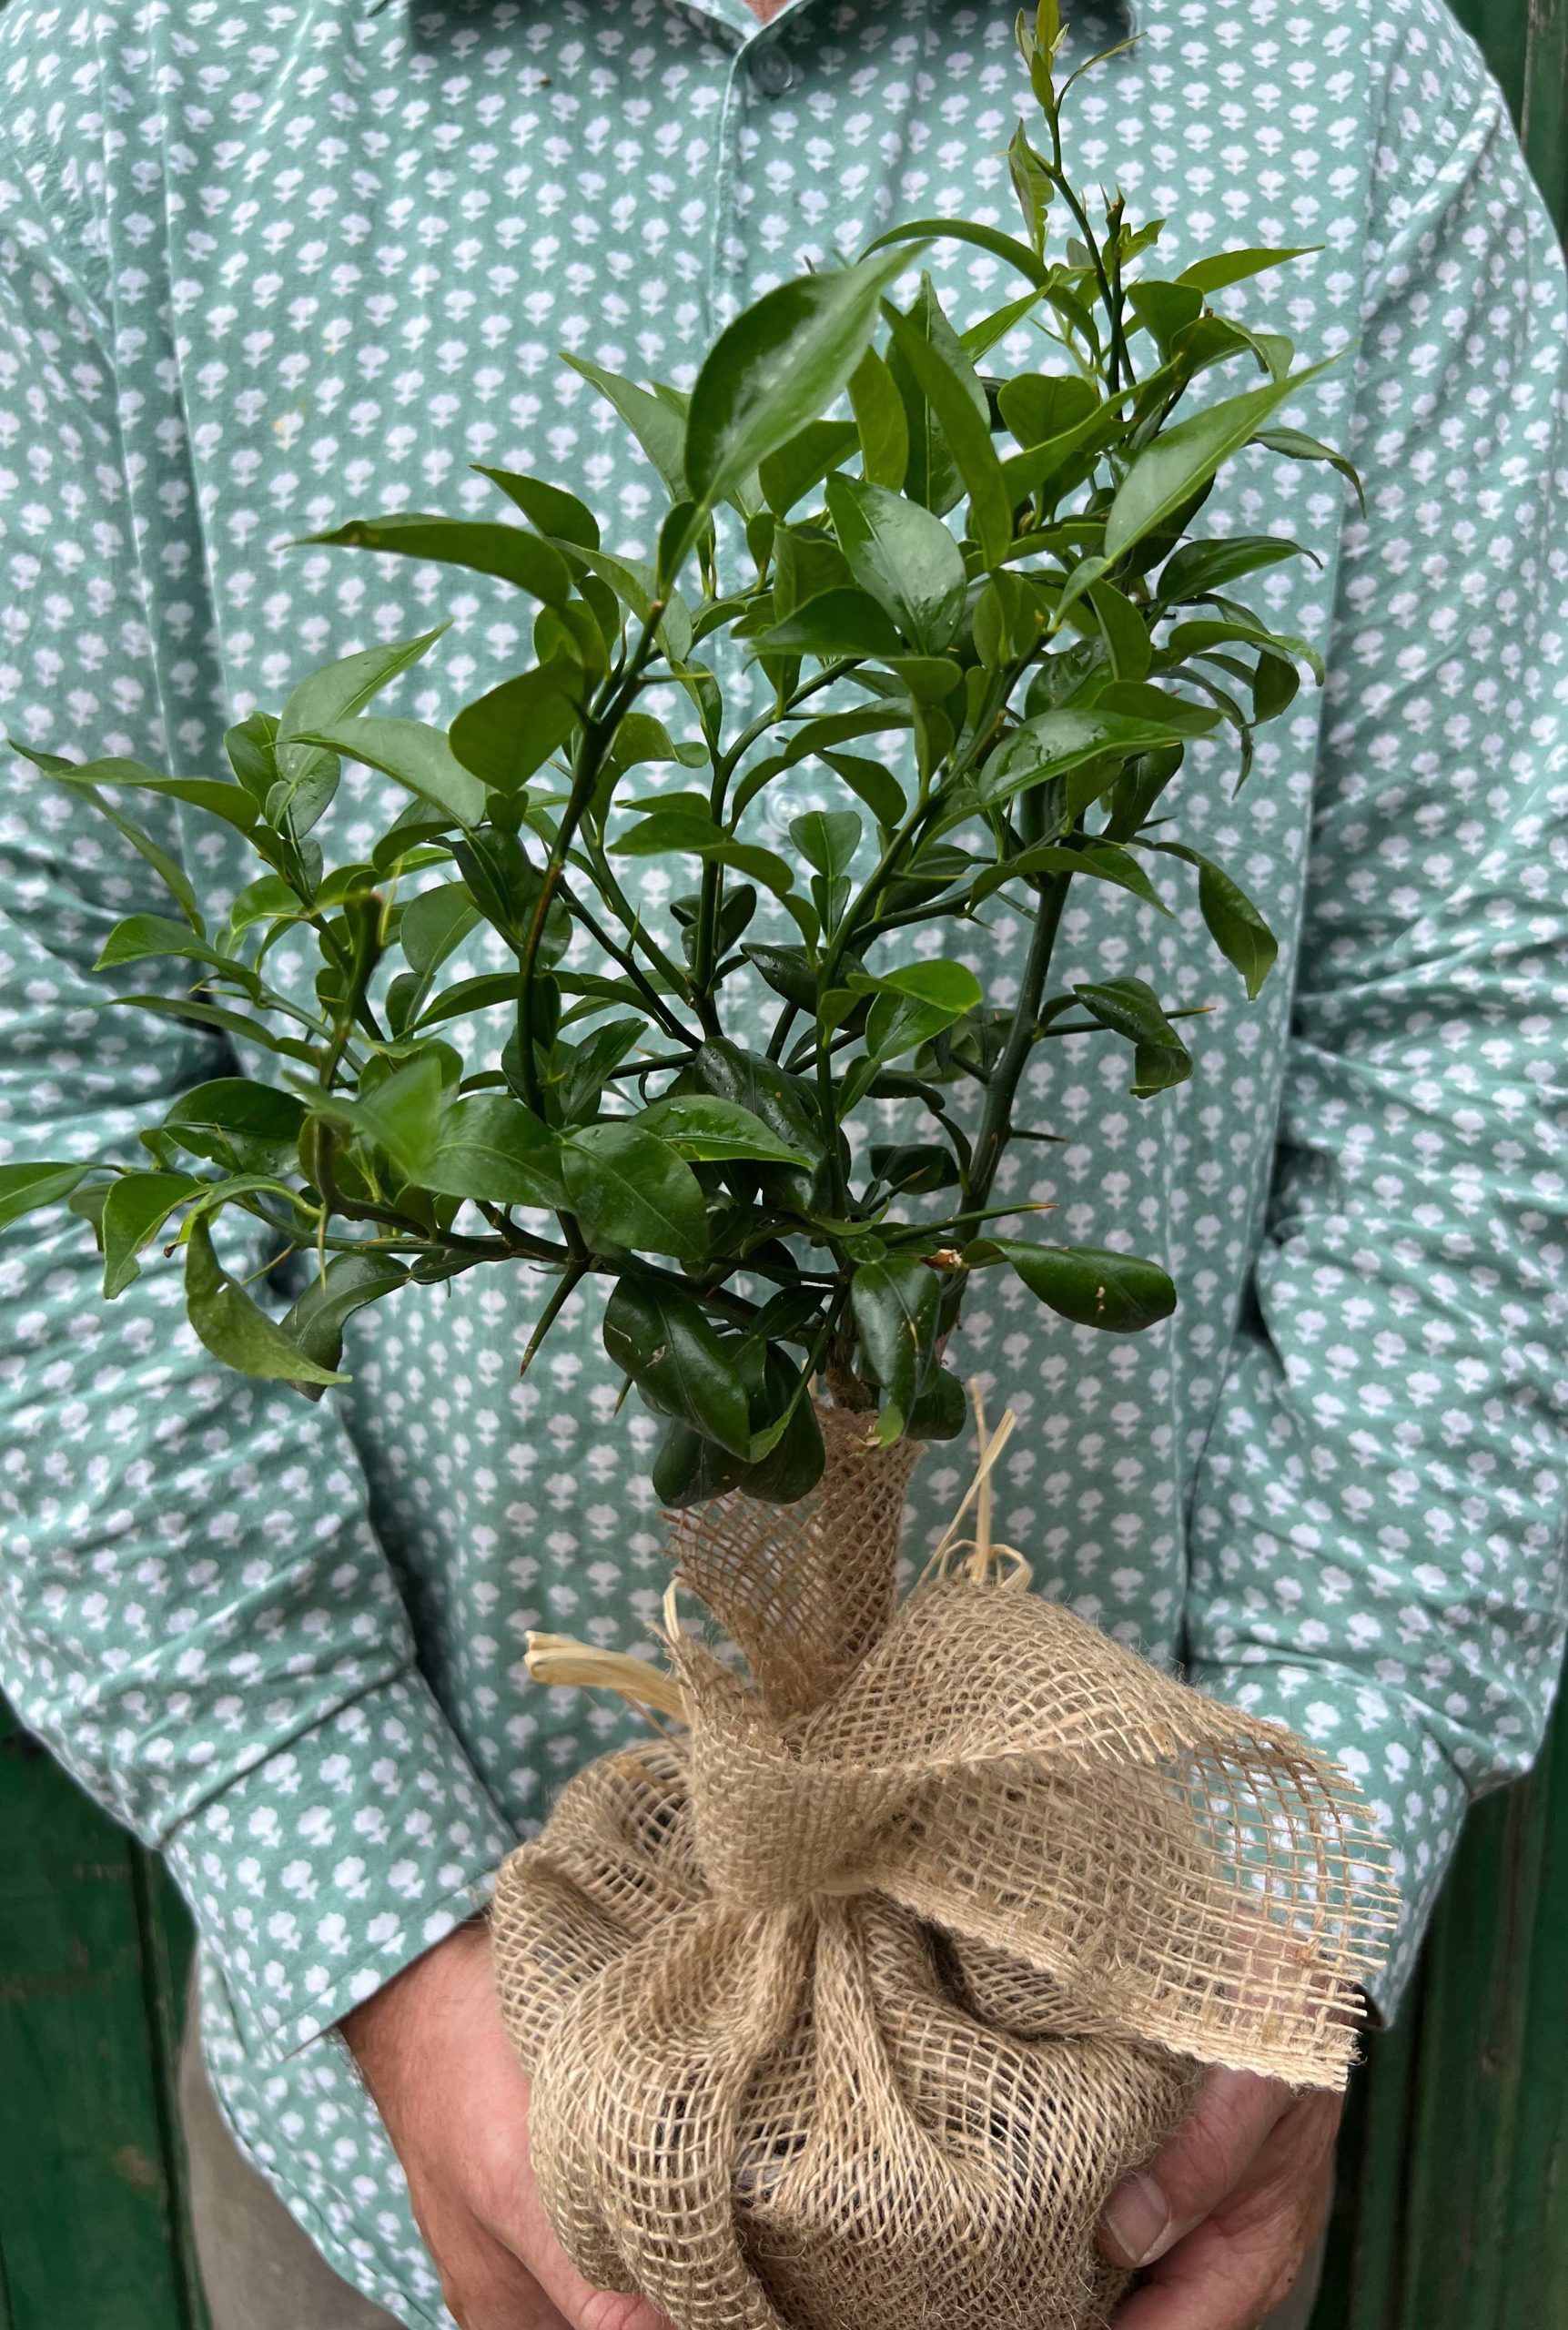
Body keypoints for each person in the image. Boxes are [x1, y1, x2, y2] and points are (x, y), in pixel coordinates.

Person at [0, 0, 1562, 2325]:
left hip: (1097, 2115)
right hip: (405, 2102)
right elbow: (48, 1043)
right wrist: (385, 1948)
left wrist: (1269, 1938)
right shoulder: (130, 75)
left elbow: (1491, 1017)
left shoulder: (1338, 84)